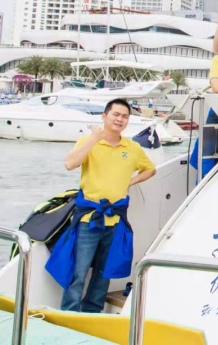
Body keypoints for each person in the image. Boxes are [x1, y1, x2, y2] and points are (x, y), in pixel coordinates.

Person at [48, 98, 155, 312]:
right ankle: (70, 312)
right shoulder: (88, 142)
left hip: (115, 220)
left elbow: (150, 169)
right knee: (78, 271)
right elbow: (70, 164)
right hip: (89, 219)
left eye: (125, 116)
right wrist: (93, 139)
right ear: (104, 116)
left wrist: (130, 182)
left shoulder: (132, 148)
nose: (120, 119)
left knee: (103, 272)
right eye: (116, 114)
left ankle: (93, 312)